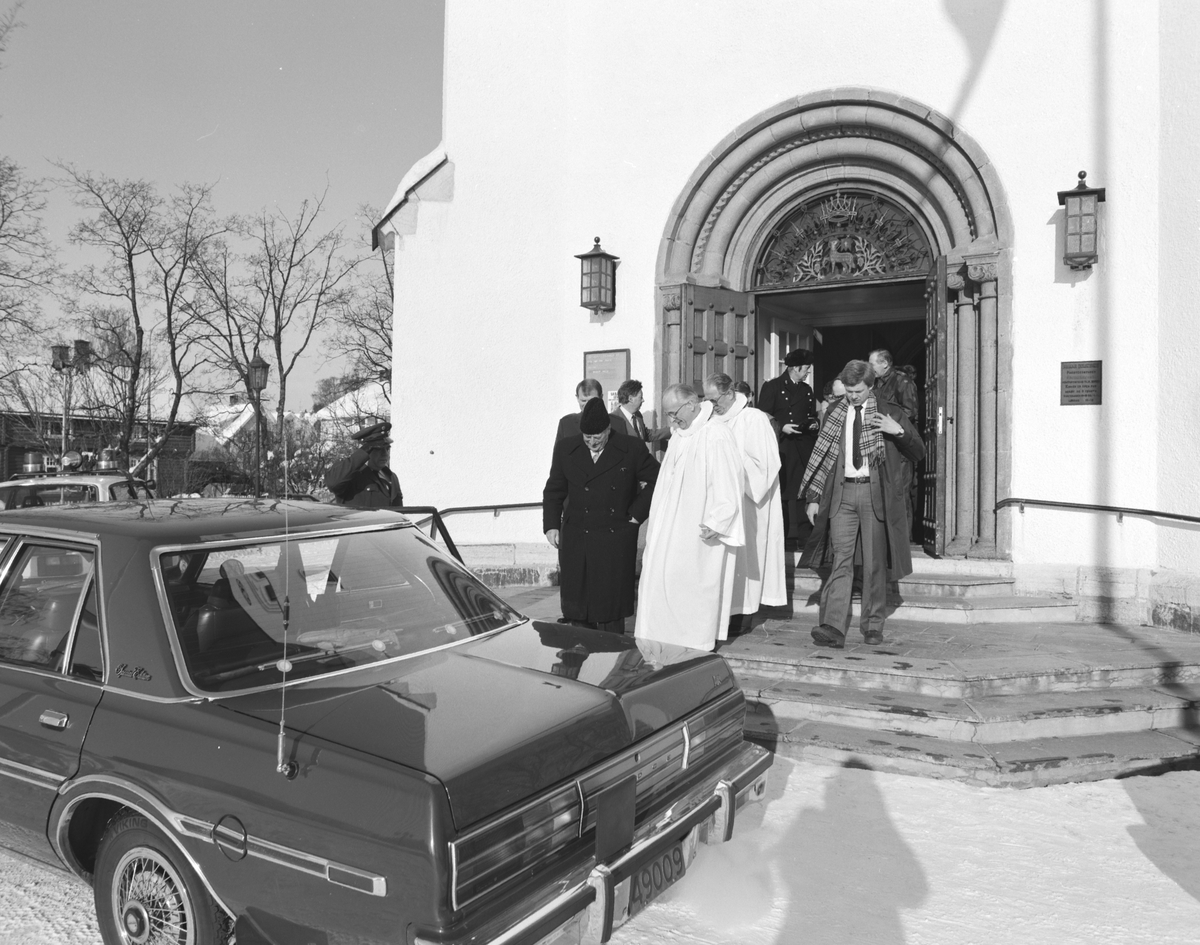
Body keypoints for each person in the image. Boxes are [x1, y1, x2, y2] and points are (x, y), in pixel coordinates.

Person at [799, 360, 925, 648]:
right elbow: (822, 458)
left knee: (873, 563)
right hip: (842, 495)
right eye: (849, 391)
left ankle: (872, 625)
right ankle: (832, 626)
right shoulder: (834, 412)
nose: (852, 396)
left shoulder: (890, 412)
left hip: (874, 494)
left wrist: (898, 431)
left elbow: (918, 452)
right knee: (840, 561)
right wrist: (813, 498)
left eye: (858, 391)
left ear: (871, 386)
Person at [635, 384, 744, 651]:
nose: (672, 420)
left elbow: (728, 481)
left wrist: (718, 520)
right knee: (663, 579)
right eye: (669, 415)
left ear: (692, 404)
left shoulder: (716, 434)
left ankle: (693, 641)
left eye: (674, 413)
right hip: (669, 524)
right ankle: (661, 637)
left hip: (698, 527)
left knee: (692, 585)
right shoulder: (680, 435)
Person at [543, 399, 659, 633]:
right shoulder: (566, 448)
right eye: (587, 438)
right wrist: (551, 525)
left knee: (609, 609)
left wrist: (636, 515)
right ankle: (575, 655)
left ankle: (611, 658)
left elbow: (658, 480)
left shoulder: (631, 448)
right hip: (577, 536)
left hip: (614, 537)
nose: (592, 443)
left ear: (608, 429)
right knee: (577, 608)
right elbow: (554, 489)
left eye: (598, 437)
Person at [705, 373, 786, 627]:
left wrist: (730, 468)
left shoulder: (754, 419)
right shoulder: (710, 421)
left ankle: (742, 615)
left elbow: (767, 464)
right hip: (718, 504)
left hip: (747, 503)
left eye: (714, 399)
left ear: (729, 393)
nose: (711, 405)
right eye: (706, 400)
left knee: (745, 557)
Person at [757, 349, 819, 542]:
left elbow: (810, 414)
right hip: (782, 447)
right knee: (782, 492)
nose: (808, 372)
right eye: (806, 368)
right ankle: (781, 539)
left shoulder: (806, 390)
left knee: (803, 490)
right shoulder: (772, 386)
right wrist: (782, 426)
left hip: (803, 446)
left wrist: (813, 423)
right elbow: (762, 416)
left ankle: (804, 537)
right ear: (794, 368)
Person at [868, 348, 920, 535]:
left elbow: (910, 412)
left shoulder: (902, 382)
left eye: (872, 363)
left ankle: (903, 540)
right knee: (882, 492)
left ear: (885, 363)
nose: (870, 367)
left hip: (900, 447)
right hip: (880, 446)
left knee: (900, 494)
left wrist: (887, 423)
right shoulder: (875, 384)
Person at [324, 421, 404, 508]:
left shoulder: (390, 476)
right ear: (367, 450)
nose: (385, 454)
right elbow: (333, 483)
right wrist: (363, 451)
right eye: (379, 449)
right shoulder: (351, 473)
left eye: (387, 449)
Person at [609, 379, 652, 451]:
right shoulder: (613, 420)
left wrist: (671, 430)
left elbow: (646, 435)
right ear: (630, 399)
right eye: (640, 397)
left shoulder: (638, 415)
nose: (643, 400)